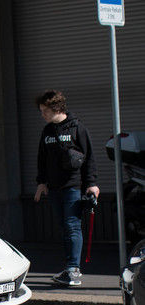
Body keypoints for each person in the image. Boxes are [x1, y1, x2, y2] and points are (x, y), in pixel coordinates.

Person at [34, 90, 100, 286]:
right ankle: (69, 268)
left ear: (57, 108)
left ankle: (73, 270)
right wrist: (41, 182)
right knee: (64, 228)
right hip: (54, 188)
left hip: (74, 187)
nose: (42, 115)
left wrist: (91, 184)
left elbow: (89, 159)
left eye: (45, 110)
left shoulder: (77, 128)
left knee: (72, 226)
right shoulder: (47, 131)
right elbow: (42, 159)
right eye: (41, 111)